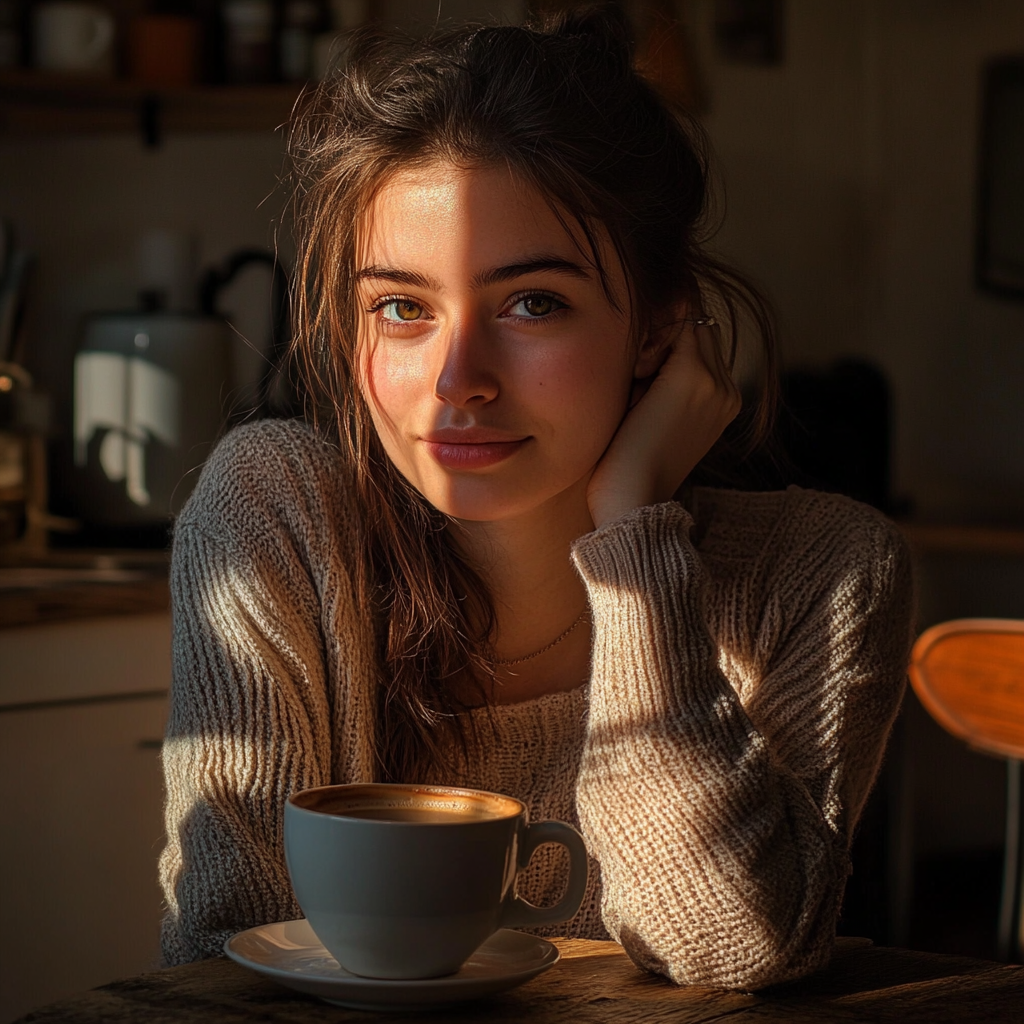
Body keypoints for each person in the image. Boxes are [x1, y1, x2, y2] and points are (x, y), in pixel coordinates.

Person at [159, 6, 914, 990]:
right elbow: (226, 973)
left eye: (532, 304)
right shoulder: (276, 519)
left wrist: (636, 531)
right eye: (401, 307)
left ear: (658, 329)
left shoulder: (821, 572)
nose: (455, 379)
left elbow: (729, 946)